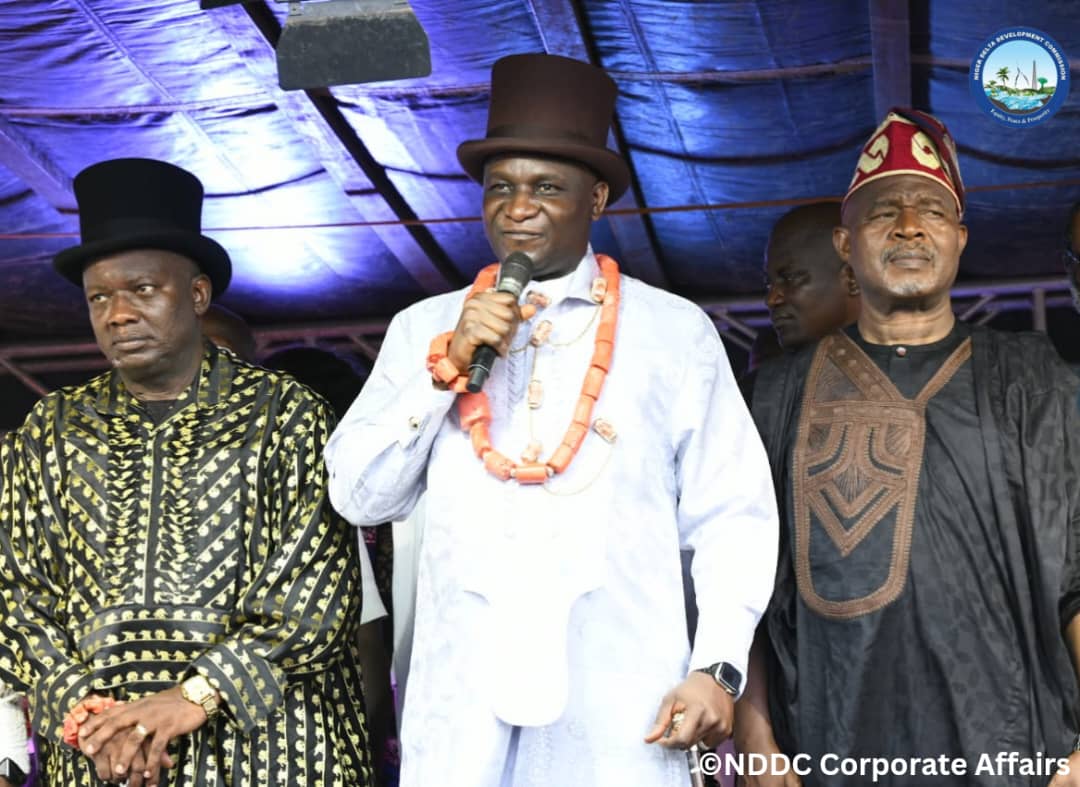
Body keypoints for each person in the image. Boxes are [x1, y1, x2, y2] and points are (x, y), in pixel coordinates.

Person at [324, 53, 778, 787]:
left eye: (545, 187)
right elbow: (358, 496)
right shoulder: (423, 330)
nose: (517, 206)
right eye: (499, 187)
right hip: (460, 722)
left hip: (619, 714)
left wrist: (716, 668)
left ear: (596, 198)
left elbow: (734, 516)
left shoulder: (674, 332)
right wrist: (444, 370)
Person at [0, 158, 372, 787]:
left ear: (197, 295)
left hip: (273, 751)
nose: (117, 314)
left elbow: (315, 599)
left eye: (142, 290)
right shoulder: (49, 429)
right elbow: (16, 595)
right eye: (99, 297)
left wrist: (193, 697)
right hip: (104, 759)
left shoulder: (286, 415)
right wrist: (90, 717)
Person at [736, 109, 1080, 786]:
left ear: (960, 236)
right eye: (882, 211)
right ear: (844, 243)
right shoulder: (775, 395)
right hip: (833, 746)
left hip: (1016, 749)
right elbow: (740, 577)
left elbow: (1075, 571)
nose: (909, 226)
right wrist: (755, 731)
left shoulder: (1037, 380)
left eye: (930, 209)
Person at [763, 202, 860, 352]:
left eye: (789, 278)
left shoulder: (907, 369)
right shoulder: (772, 375)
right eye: (769, 284)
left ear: (852, 278)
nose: (771, 300)